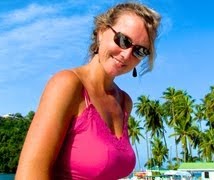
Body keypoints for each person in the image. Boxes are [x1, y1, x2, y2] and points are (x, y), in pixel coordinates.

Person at [15, 2, 161, 179]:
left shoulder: (124, 102)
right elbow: (29, 175)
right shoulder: (67, 84)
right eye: (123, 40)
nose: (126, 54)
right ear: (101, 31)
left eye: (139, 50)